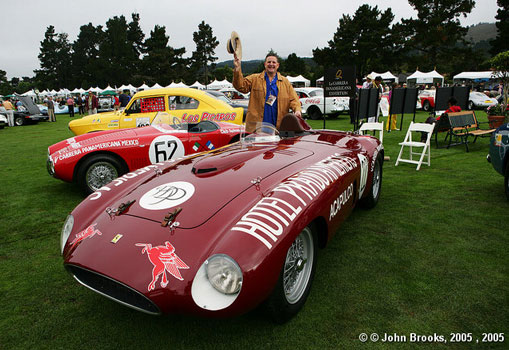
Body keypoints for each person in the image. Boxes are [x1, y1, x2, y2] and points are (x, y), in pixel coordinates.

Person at [233, 53, 301, 132]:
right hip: (257, 128)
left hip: (278, 128)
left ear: (278, 65)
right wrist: (237, 68)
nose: (271, 64)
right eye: (269, 62)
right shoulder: (254, 79)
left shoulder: (285, 82)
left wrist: (297, 110)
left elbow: (294, 100)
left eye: (273, 62)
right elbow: (240, 86)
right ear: (265, 64)